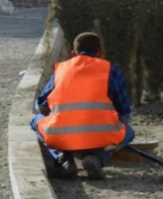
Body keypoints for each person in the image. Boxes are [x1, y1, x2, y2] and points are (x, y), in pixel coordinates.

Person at [30, 32, 134, 180]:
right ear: (100, 53)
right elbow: (124, 110)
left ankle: (63, 158)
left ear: (74, 53)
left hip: (61, 134)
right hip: (100, 135)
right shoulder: (111, 70)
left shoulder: (61, 70)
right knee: (129, 132)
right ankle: (97, 158)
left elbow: (42, 105)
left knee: (35, 121)